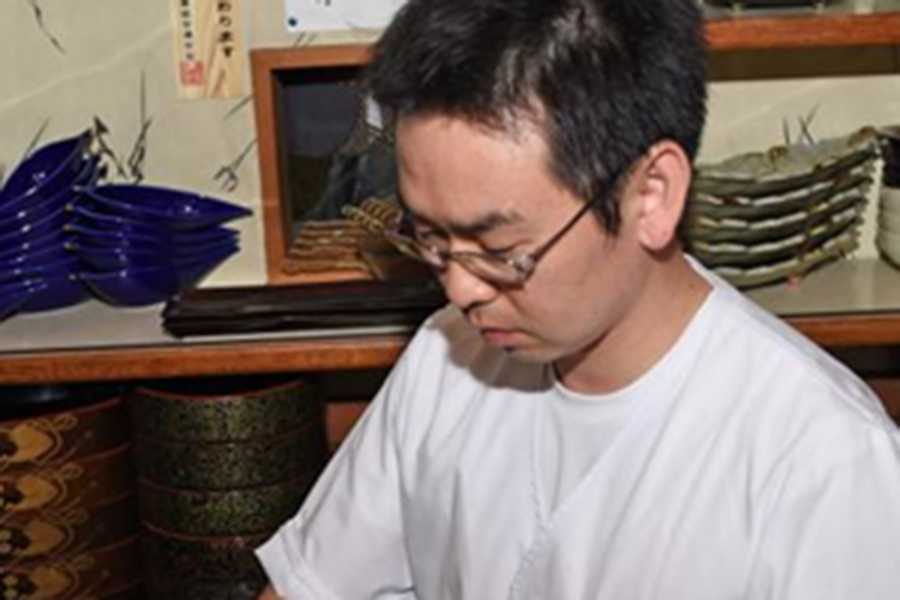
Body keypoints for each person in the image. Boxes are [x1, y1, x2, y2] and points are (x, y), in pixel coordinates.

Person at [256, 0, 900, 597]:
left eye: (500, 248)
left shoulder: (821, 461)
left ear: (651, 196)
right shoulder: (444, 356)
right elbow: (310, 585)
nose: (459, 287)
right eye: (429, 237)